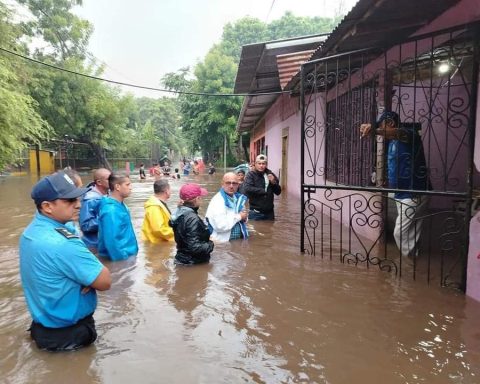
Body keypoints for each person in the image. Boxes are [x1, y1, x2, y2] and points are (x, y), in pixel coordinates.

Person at [19, 171, 111, 351]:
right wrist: (87, 276)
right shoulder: (63, 244)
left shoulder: (30, 233)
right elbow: (105, 281)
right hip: (69, 336)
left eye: (78, 198)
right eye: (69, 201)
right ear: (47, 206)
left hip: (43, 327)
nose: (78, 205)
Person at [360, 110, 431, 257]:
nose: (381, 131)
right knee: (412, 230)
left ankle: (409, 263)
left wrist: (375, 130)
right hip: (402, 192)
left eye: (382, 126)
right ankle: (414, 255)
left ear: (391, 123)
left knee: (399, 233)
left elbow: (398, 133)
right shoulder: (392, 142)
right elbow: (393, 162)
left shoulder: (409, 135)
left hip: (414, 192)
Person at [169, 183, 214, 265]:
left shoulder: (179, 213)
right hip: (192, 263)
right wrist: (210, 244)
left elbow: (171, 223)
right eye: (200, 197)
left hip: (181, 260)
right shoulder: (192, 218)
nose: (201, 199)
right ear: (196, 199)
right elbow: (195, 247)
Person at [98, 174, 138, 261]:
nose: (130, 188)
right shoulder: (111, 210)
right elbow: (112, 241)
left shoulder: (121, 205)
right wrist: (122, 262)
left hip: (128, 253)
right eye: (127, 185)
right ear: (117, 187)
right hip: (122, 257)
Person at [205, 172, 248, 242]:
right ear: (222, 184)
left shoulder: (239, 199)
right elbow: (220, 226)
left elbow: (244, 216)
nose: (231, 186)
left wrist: (244, 218)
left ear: (238, 185)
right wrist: (239, 217)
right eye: (228, 183)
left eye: (234, 183)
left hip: (237, 242)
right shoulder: (218, 201)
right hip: (222, 243)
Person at [79, 168, 111, 253]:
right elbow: (85, 225)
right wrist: (107, 219)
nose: (112, 181)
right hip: (93, 246)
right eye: (109, 179)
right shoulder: (90, 199)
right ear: (99, 182)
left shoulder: (107, 195)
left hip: (103, 243)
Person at [243, 154, 282, 220]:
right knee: (256, 230)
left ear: (266, 164)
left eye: (263, 164)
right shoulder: (251, 175)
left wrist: (273, 183)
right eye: (259, 163)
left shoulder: (270, 174)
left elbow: (278, 192)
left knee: (269, 229)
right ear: (255, 164)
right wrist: (263, 191)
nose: (261, 166)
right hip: (255, 212)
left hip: (270, 213)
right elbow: (247, 188)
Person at [141, 179, 174, 243]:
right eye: (170, 189)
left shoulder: (159, 203)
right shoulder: (154, 206)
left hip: (160, 242)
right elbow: (158, 229)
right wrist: (178, 232)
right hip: (155, 243)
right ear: (166, 191)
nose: (171, 191)